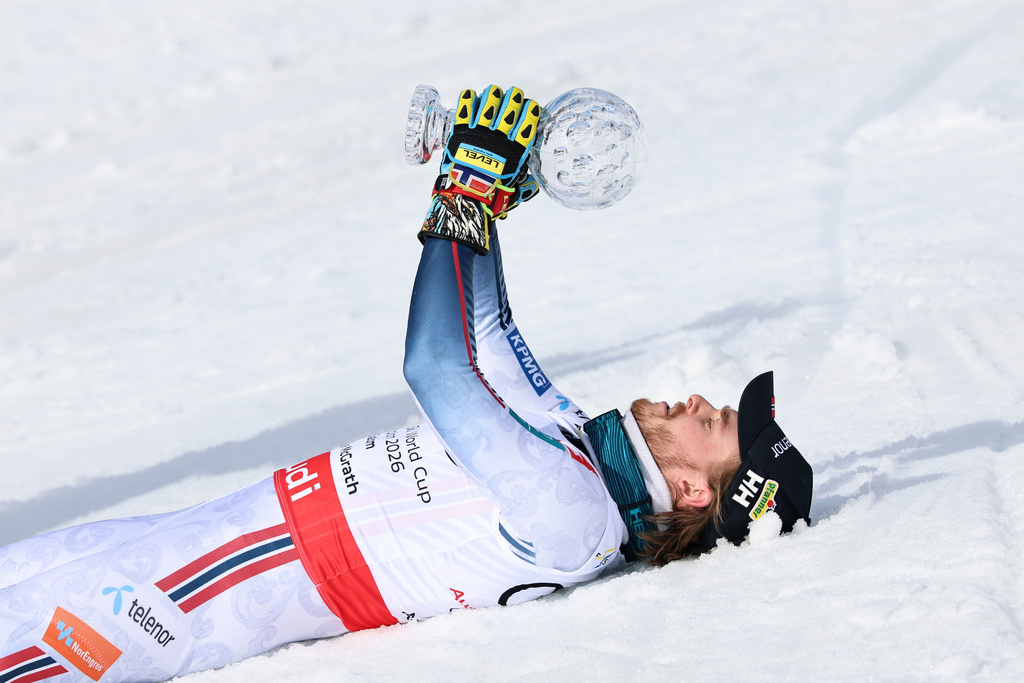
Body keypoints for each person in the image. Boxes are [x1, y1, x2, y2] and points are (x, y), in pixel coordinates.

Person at [0, 85, 813, 683]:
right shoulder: (578, 448)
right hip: (202, 538)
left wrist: (466, 191)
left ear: (692, 491)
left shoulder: (576, 514)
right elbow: (485, 332)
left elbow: (437, 366)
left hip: (196, 592)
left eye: (715, 424)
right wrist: (488, 201)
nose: (699, 400)